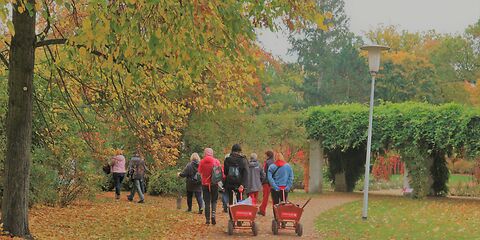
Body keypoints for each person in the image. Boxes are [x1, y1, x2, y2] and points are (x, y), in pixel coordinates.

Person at [198, 148, 222, 225]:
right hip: (214, 184)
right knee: (214, 201)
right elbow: (220, 173)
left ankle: (207, 220)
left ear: (205, 153)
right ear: (212, 153)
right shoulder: (216, 161)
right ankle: (213, 215)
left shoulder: (202, 162)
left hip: (205, 184)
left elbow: (200, 172)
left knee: (207, 202)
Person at [259, 150, 275, 216]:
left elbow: (264, 172)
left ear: (268, 155)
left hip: (267, 182)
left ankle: (262, 210)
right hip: (274, 182)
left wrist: (262, 180)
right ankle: (276, 211)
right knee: (275, 198)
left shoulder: (267, 162)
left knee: (265, 196)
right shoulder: (274, 162)